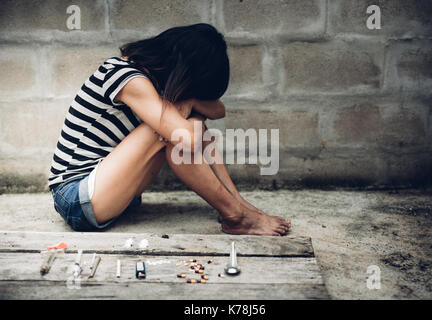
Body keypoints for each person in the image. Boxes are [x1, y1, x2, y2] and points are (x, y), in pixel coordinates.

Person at [48, 23, 290, 235]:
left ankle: (237, 205)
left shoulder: (152, 80)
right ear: (187, 74)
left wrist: (193, 107)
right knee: (170, 134)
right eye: (194, 89)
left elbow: (219, 109)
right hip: (75, 198)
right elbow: (185, 140)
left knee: (187, 127)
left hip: (107, 194)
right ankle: (236, 215)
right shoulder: (126, 77)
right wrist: (193, 112)